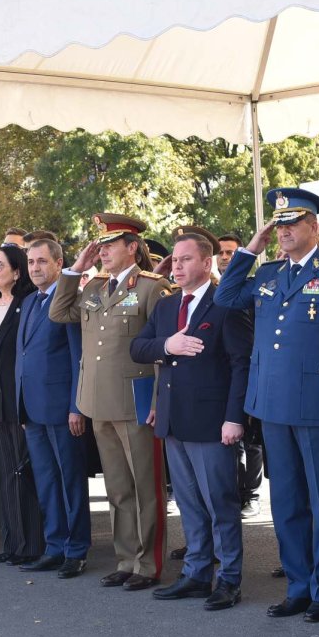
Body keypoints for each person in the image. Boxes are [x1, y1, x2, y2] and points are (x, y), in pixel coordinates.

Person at [214, 188, 319, 623]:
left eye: (292, 224)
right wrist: (250, 248)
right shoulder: (267, 273)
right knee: (287, 503)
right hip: (273, 404)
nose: (283, 232)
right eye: (278, 225)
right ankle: (297, 585)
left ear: (315, 227)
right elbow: (225, 299)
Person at [49, 213, 174, 592]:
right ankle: (125, 558)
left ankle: (148, 563)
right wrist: (74, 269)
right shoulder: (93, 286)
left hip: (136, 401)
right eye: (100, 245)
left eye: (110, 245)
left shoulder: (153, 287)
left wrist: (156, 400)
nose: (102, 251)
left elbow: (162, 352)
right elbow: (59, 312)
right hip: (99, 400)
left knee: (145, 487)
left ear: (132, 247)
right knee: (117, 488)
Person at [131, 232, 253, 611]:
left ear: (207, 262)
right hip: (173, 419)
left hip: (213, 422)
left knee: (221, 503)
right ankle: (197, 573)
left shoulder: (225, 304)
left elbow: (240, 365)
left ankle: (229, 578)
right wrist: (169, 345)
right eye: (176, 260)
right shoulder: (167, 306)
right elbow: (138, 347)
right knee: (188, 503)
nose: (177, 266)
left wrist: (235, 418)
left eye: (186, 259)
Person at [15, 238, 90, 578]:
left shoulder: (69, 300)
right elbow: (25, 355)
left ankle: (76, 550)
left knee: (70, 480)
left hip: (62, 409)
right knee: (46, 480)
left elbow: (78, 357)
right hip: (32, 408)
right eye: (31, 262)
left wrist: (77, 406)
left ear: (59, 263)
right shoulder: (29, 301)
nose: (35, 268)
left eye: (42, 261)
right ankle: (55, 545)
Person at [0, 245, 44, 565]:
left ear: (17, 272)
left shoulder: (27, 305)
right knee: (7, 472)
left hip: (21, 401)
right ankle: (13, 541)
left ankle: (32, 544)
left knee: (23, 472)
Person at [212, 231, 262, 515]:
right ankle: (236, 491)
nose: (225, 257)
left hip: (248, 368)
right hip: (222, 374)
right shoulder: (212, 286)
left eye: (231, 252)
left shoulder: (251, 285)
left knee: (250, 439)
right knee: (231, 443)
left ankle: (251, 494)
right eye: (221, 253)